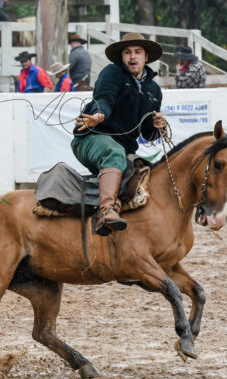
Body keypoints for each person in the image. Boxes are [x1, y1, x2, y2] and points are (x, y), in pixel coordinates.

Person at [72, 32, 168, 236]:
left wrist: (157, 126)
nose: (132, 57)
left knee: (142, 167)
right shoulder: (111, 73)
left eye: (137, 52)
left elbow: (148, 135)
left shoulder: (154, 90)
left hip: (121, 147)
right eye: (127, 52)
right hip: (89, 138)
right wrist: (99, 115)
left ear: (146, 57)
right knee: (115, 153)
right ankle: (107, 210)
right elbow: (104, 98)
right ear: (122, 57)